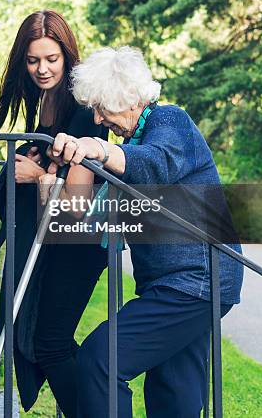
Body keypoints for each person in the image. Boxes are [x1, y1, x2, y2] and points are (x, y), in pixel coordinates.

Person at [46, 45, 244, 418]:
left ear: (131, 98)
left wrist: (98, 149)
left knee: (100, 358)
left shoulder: (170, 122)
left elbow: (156, 165)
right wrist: (72, 164)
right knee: (174, 389)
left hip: (197, 281)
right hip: (179, 284)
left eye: (104, 107)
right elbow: (89, 213)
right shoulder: (132, 142)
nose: (100, 118)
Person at [0, 10, 107, 417]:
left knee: (50, 341)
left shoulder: (85, 109)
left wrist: (37, 172)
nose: (42, 69)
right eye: (33, 60)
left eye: (51, 59)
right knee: (43, 338)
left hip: (79, 241)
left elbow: (75, 205)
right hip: (55, 240)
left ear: (67, 56)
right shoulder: (46, 106)